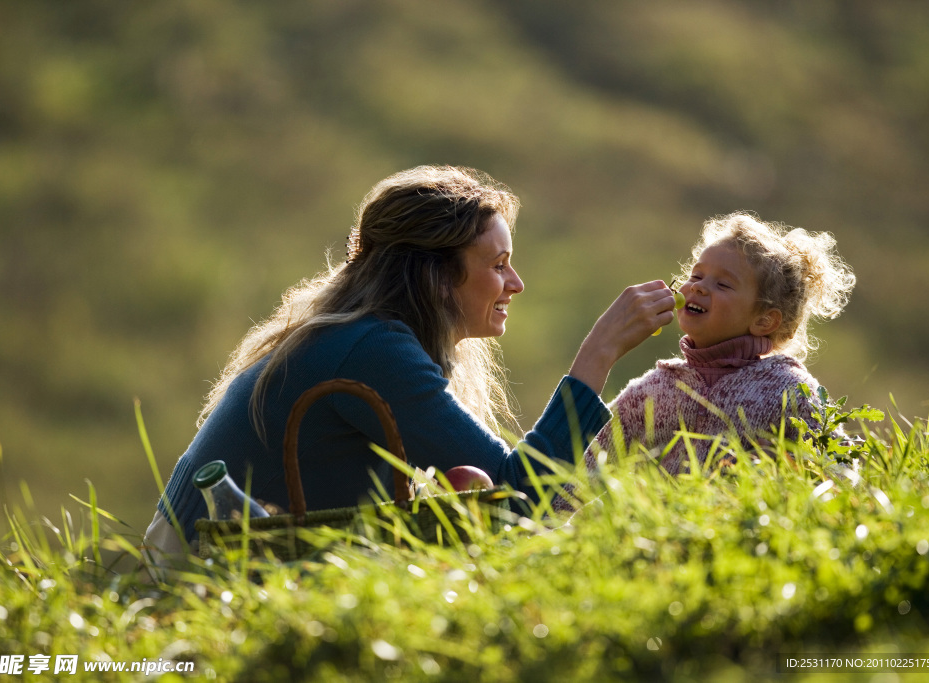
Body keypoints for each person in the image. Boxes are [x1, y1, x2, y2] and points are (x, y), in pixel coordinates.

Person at [143, 165, 679, 558]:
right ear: (437, 277)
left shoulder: (360, 336)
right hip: (205, 570)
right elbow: (514, 498)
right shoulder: (372, 349)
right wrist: (598, 353)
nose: (515, 284)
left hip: (205, 555)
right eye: (498, 265)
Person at [576, 211, 856, 483]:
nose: (698, 288)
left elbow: (839, 470)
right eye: (696, 277)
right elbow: (581, 472)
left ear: (764, 320)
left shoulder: (788, 392)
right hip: (656, 531)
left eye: (723, 284)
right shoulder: (651, 393)